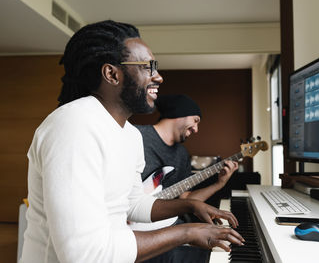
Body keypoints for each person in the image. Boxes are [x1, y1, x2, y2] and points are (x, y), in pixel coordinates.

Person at [20, 20, 244, 263]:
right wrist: (185, 232)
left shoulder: (130, 134)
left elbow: (134, 204)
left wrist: (189, 206)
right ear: (112, 74)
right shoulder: (74, 126)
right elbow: (85, 256)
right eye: (148, 67)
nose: (158, 77)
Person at [134, 94, 239, 262]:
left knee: (210, 250)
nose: (196, 129)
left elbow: (186, 199)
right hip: (133, 229)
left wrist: (219, 183)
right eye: (196, 120)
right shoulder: (135, 136)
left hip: (166, 226)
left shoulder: (182, 155)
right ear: (180, 113)